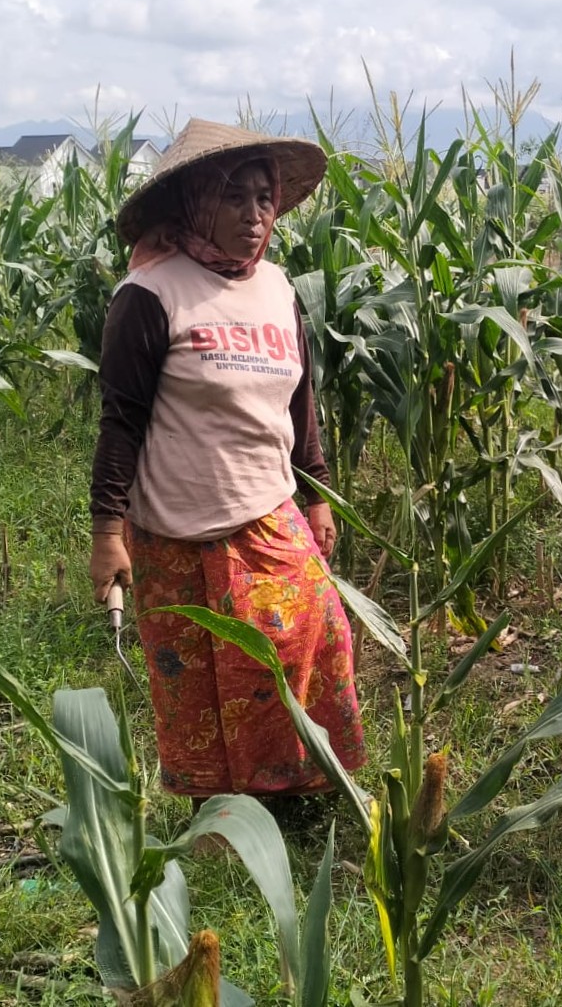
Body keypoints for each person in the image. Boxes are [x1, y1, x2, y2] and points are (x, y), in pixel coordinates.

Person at [88, 120, 367, 808]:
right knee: (204, 685)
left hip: (270, 512)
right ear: (194, 201)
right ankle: (221, 817)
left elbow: (301, 398)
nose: (254, 214)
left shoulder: (276, 286)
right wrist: (106, 532)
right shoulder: (151, 295)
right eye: (235, 197)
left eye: (265, 197)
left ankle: (299, 792)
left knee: (313, 642)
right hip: (180, 530)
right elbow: (119, 421)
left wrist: (318, 494)